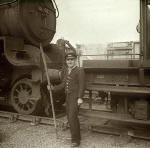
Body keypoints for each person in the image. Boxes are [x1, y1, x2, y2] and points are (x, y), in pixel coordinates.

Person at [52, 52, 85, 147]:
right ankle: (77, 137)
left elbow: (82, 85)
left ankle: (75, 141)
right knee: (72, 118)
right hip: (68, 98)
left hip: (75, 98)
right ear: (66, 61)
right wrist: (53, 88)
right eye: (68, 60)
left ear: (75, 60)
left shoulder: (79, 70)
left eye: (72, 60)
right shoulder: (67, 71)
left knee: (72, 118)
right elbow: (63, 84)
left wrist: (80, 97)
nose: (70, 61)